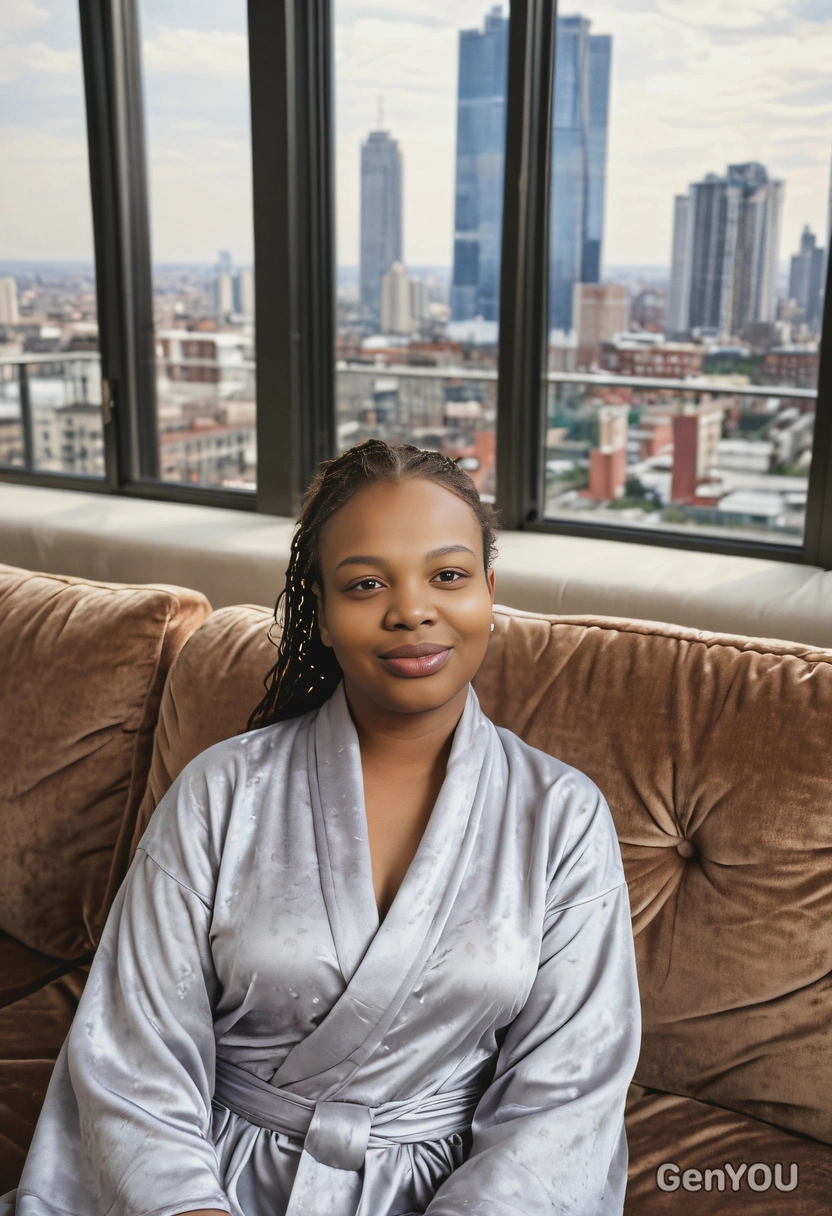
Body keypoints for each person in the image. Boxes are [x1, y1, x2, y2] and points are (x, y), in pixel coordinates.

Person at [2, 440, 641, 1216]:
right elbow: (134, 1056)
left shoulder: (564, 819)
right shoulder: (221, 792)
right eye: (367, 584)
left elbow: (565, 1102)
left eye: (448, 575)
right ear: (324, 613)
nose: (412, 609)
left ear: (489, 590)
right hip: (208, 1179)